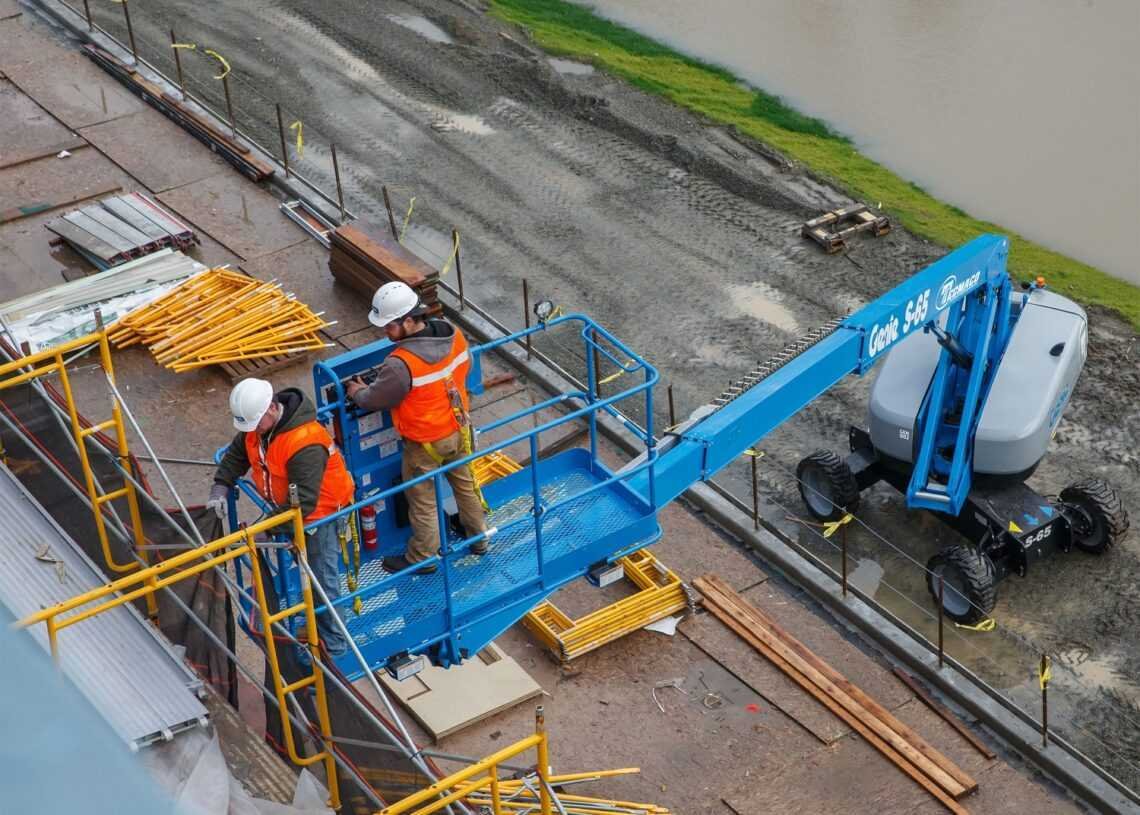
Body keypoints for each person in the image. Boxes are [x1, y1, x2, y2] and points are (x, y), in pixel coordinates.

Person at [345, 281, 488, 574]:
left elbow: (374, 399)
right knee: (465, 486)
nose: (385, 332)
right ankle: (479, 537)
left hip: (425, 445)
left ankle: (422, 558)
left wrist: (355, 391)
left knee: (422, 501)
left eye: (389, 326)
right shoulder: (455, 336)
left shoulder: (401, 363)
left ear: (409, 321)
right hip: (459, 429)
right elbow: (465, 369)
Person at [207, 378, 355, 658]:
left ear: (272, 408)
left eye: (255, 424)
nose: (252, 431)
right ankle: (315, 625)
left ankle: (335, 648)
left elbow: (305, 504)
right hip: (287, 510)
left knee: (322, 580)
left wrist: (267, 530)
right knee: (304, 574)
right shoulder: (260, 428)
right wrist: (221, 485)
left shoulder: (305, 442)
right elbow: (238, 452)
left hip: (318, 517)